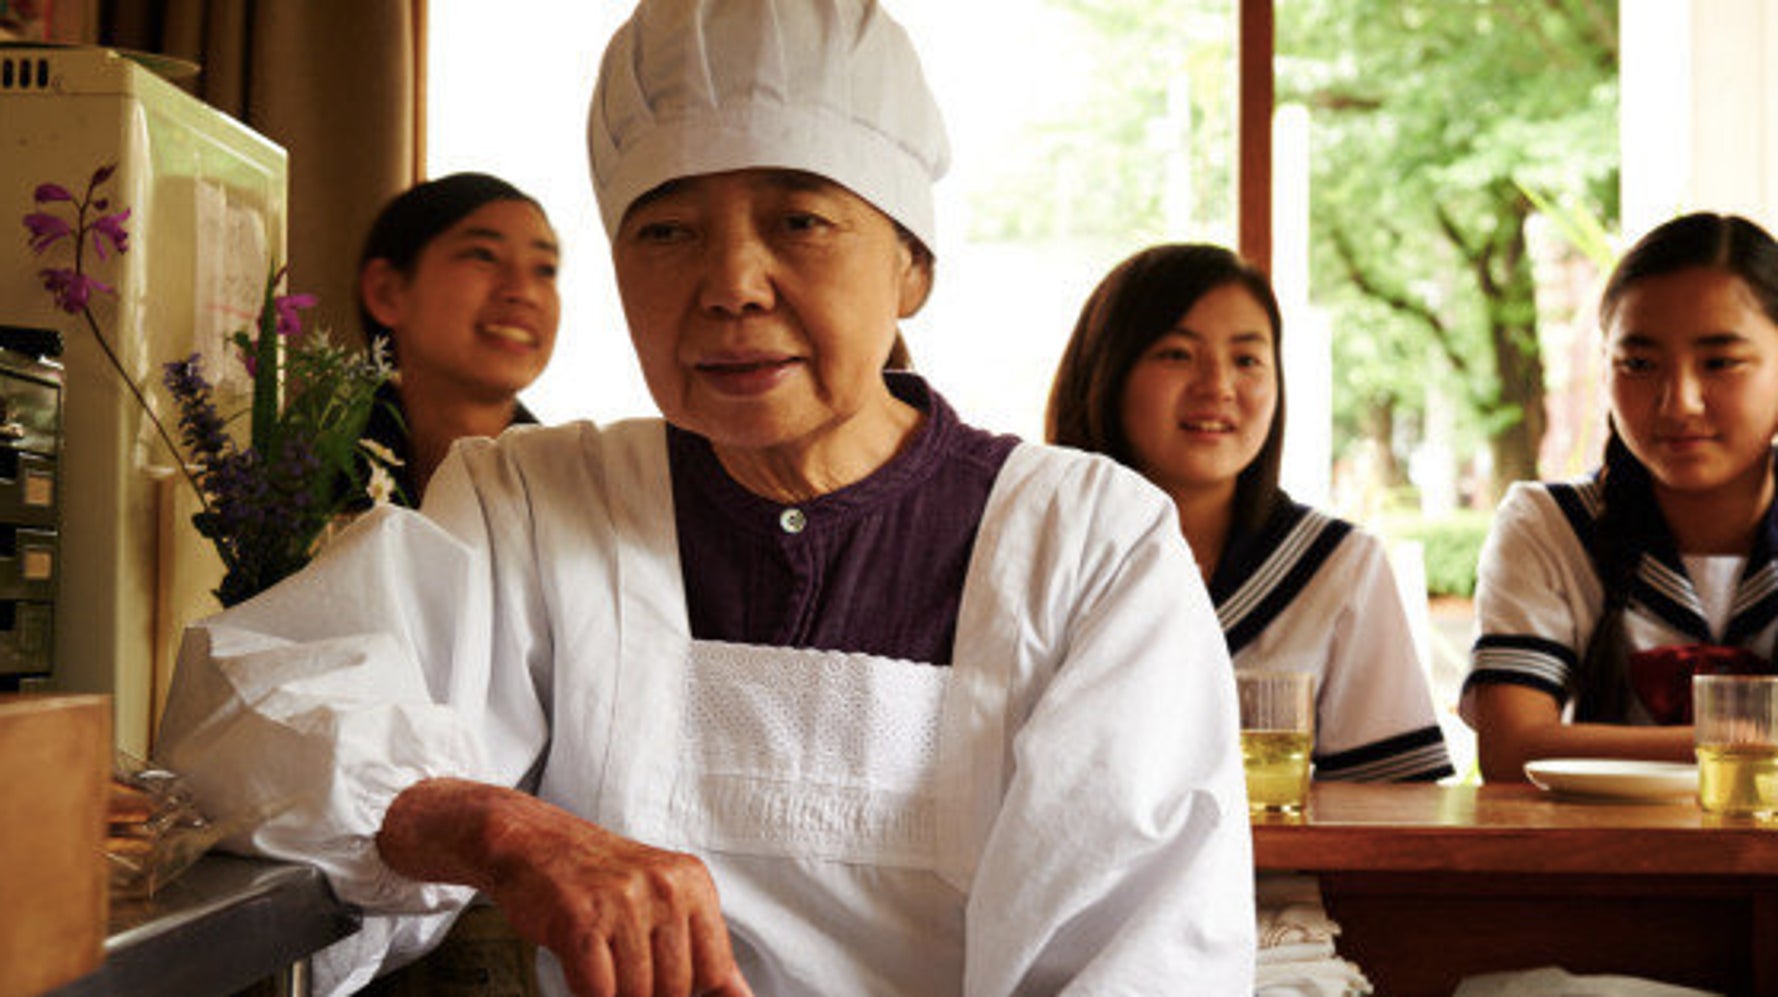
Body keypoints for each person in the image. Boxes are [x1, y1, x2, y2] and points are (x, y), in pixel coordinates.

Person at [154, 3, 1256, 995]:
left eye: (799, 220)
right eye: (666, 231)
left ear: (911, 266)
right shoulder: (535, 502)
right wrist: (498, 827)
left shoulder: (1083, 542)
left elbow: (1140, 956)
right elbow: (246, 722)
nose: (729, 284)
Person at [1048, 243, 1454, 782]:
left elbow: (1392, 805)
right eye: (1176, 354)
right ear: (1105, 371)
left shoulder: (1336, 567)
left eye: (1247, 360)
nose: (1216, 386)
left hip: (1275, 871)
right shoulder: (1035, 551)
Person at [1462, 212, 1778, 783]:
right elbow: (1511, 749)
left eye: (1720, 363)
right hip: (1599, 868)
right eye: (1639, 364)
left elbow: (1539, 745)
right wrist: (1751, 743)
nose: (1678, 402)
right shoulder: (1552, 527)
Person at [356, 172, 560, 503]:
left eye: (545, 269)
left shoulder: (578, 494)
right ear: (388, 292)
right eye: (483, 255)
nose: (524, 291)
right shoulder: (298, 479)